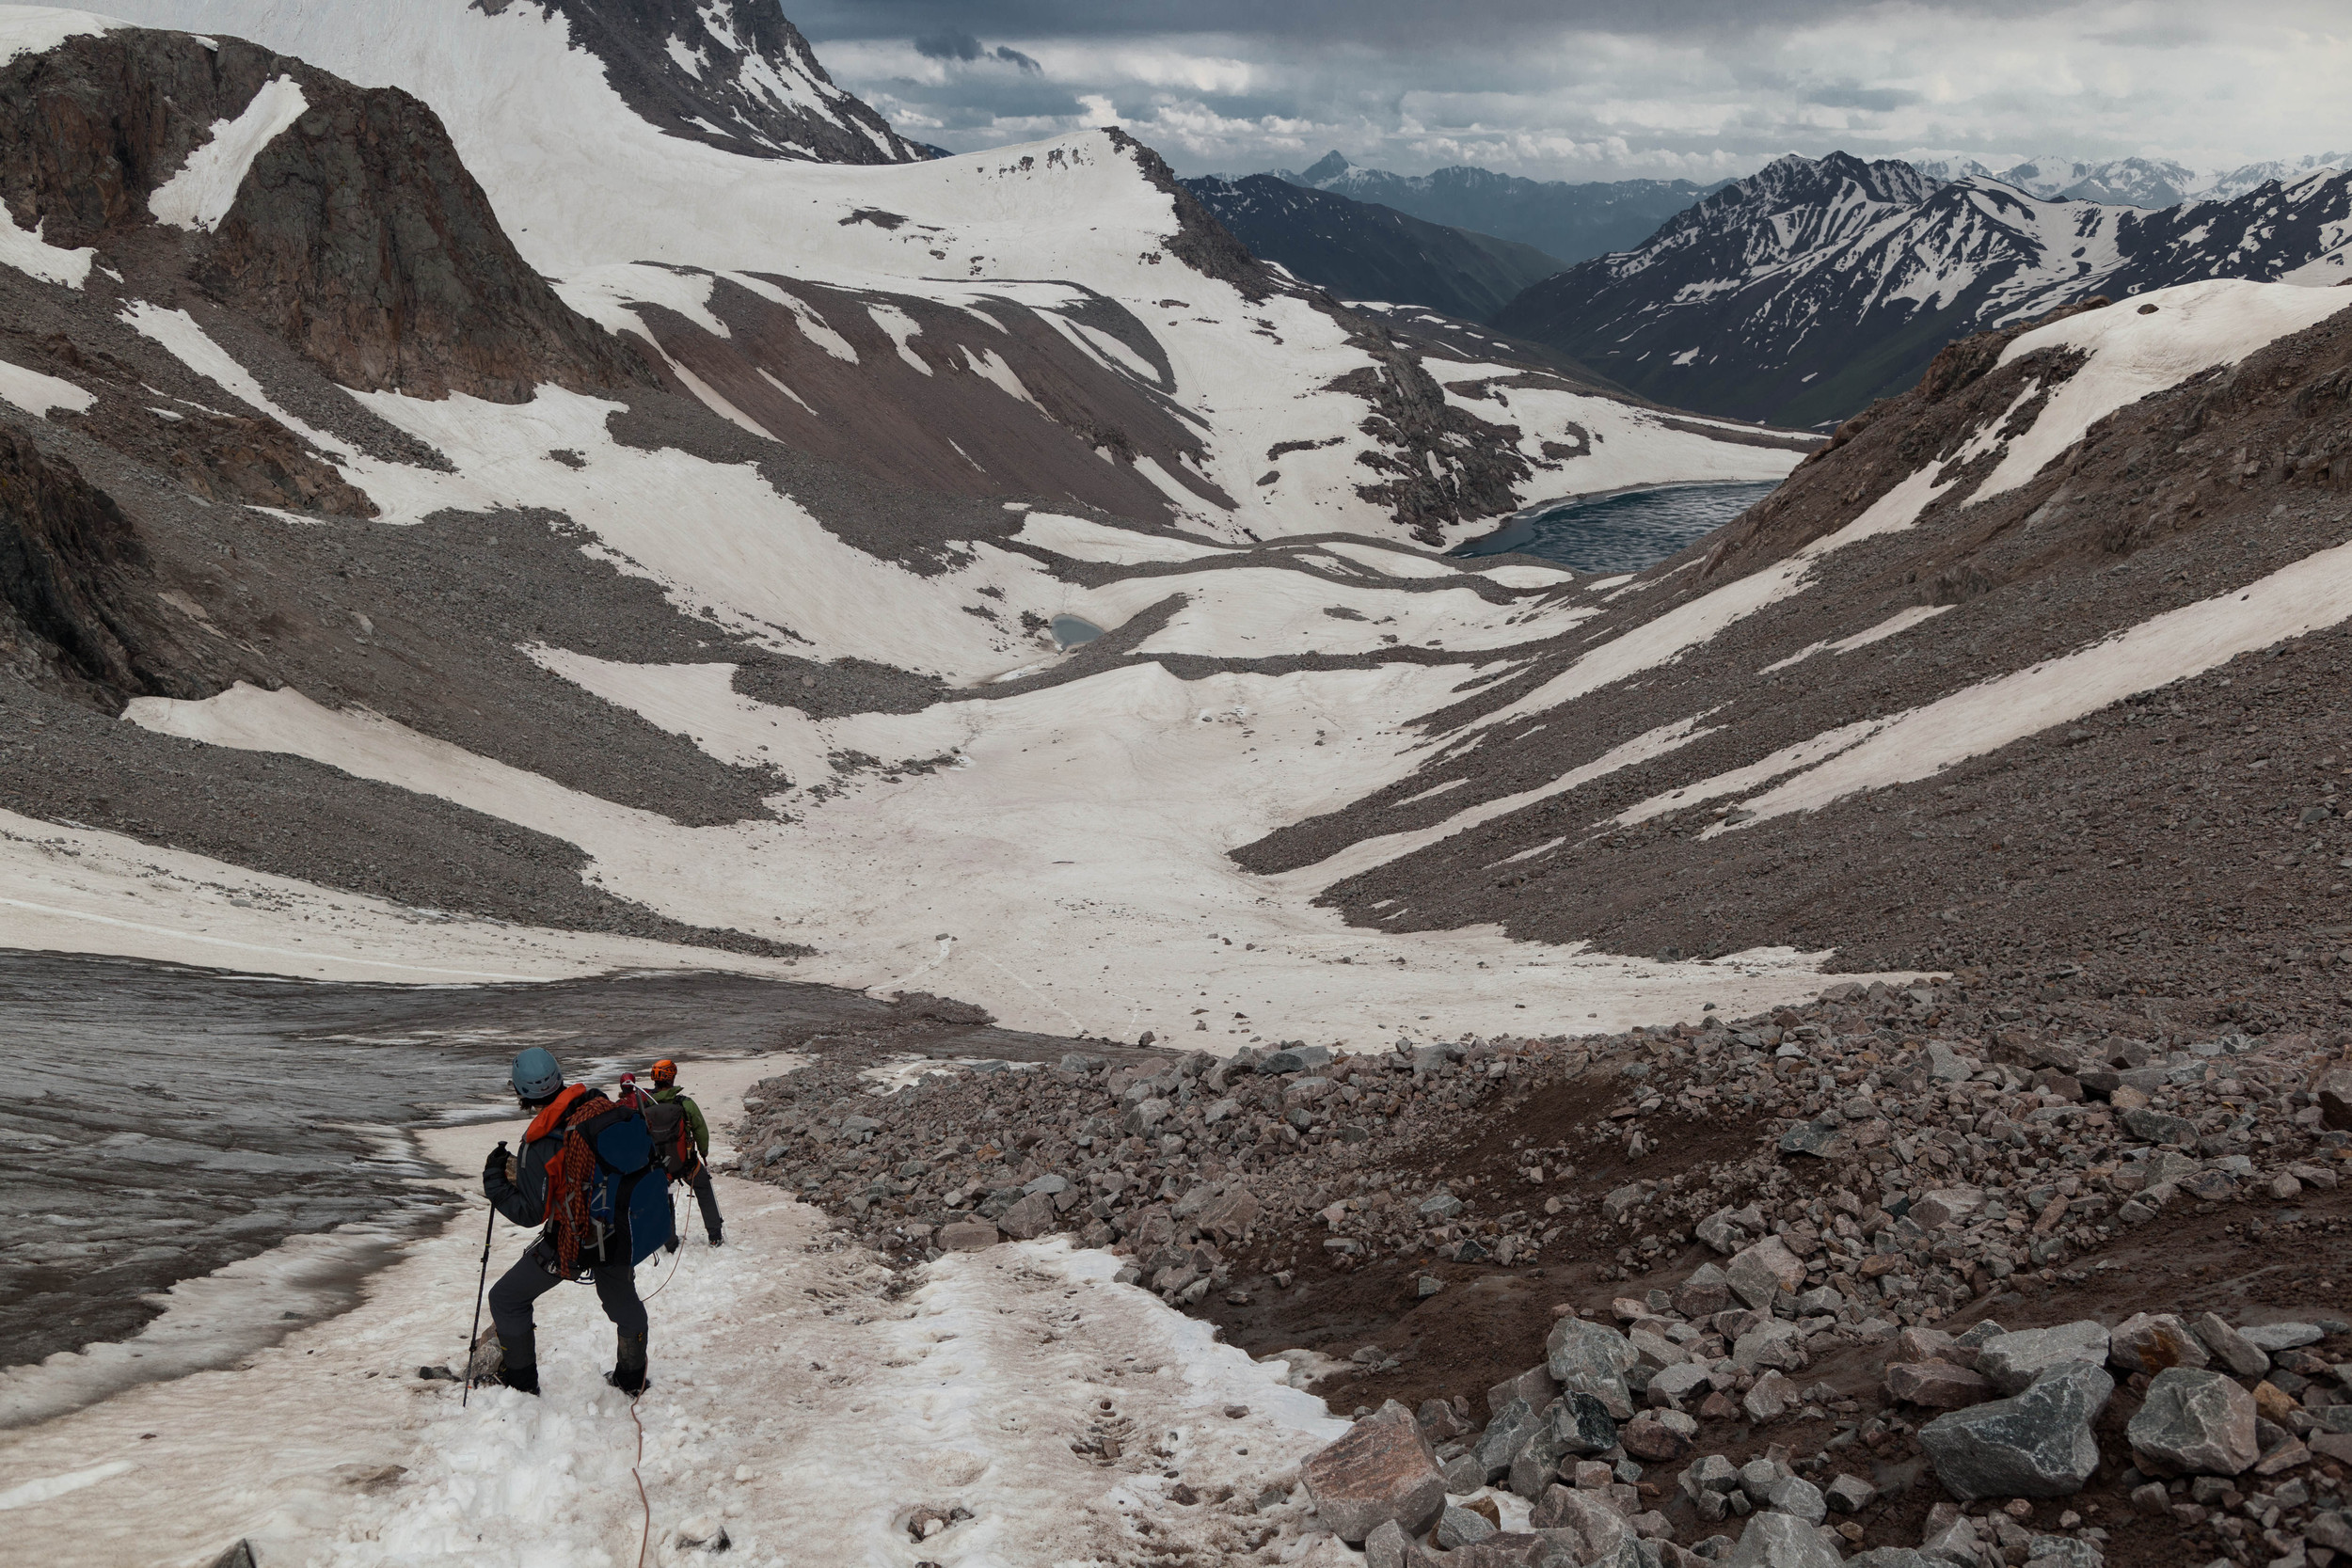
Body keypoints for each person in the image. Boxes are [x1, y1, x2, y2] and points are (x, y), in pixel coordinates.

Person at [480, 1046, 650, 1396]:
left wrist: (495, 1183)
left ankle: (522, 1387)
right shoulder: (597, 1105)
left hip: (572, 1240)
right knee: (622, 1303)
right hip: (617, 1226)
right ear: (558, 1077)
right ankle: (632, 1380)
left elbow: (530, 1213)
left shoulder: (539, 1142)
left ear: (520, 1091)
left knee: (507, 1299)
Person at [649, 1058, 723, 1248]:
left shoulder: (646, 1105)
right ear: (672, 1078)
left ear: (654, 1080)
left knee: (664, 1198)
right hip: (687, 1163)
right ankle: (715, 1235)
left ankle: (669, 1241)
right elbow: (700, 1129)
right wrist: (704, 1152)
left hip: (658, 1166)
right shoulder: (685, 1104)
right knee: (703, 1189)